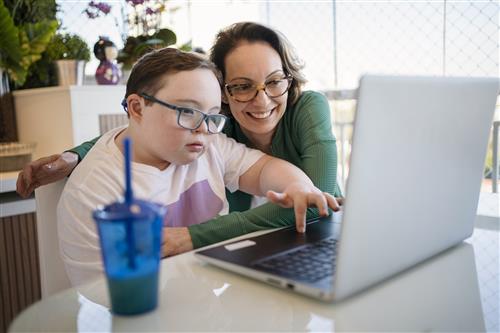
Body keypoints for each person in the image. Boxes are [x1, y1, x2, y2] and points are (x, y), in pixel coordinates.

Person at [17, 22, 342, 252]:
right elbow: (142, 129)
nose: (262, 100)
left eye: (273, 81)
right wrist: (78, 154)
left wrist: (195, 236)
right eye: (242, 86)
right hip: (248, 253)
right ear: (224, 93)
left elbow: (315, 200)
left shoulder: (303, 109)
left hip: (308, 239)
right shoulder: (216, 126)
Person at [59, 47, 338, 286]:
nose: (204, 128)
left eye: (213, 116)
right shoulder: (96, 191)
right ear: (137, 108)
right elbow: (106, 299)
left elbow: (265, 170)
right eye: (188, 113)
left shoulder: (209, 146)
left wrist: (297, 186)